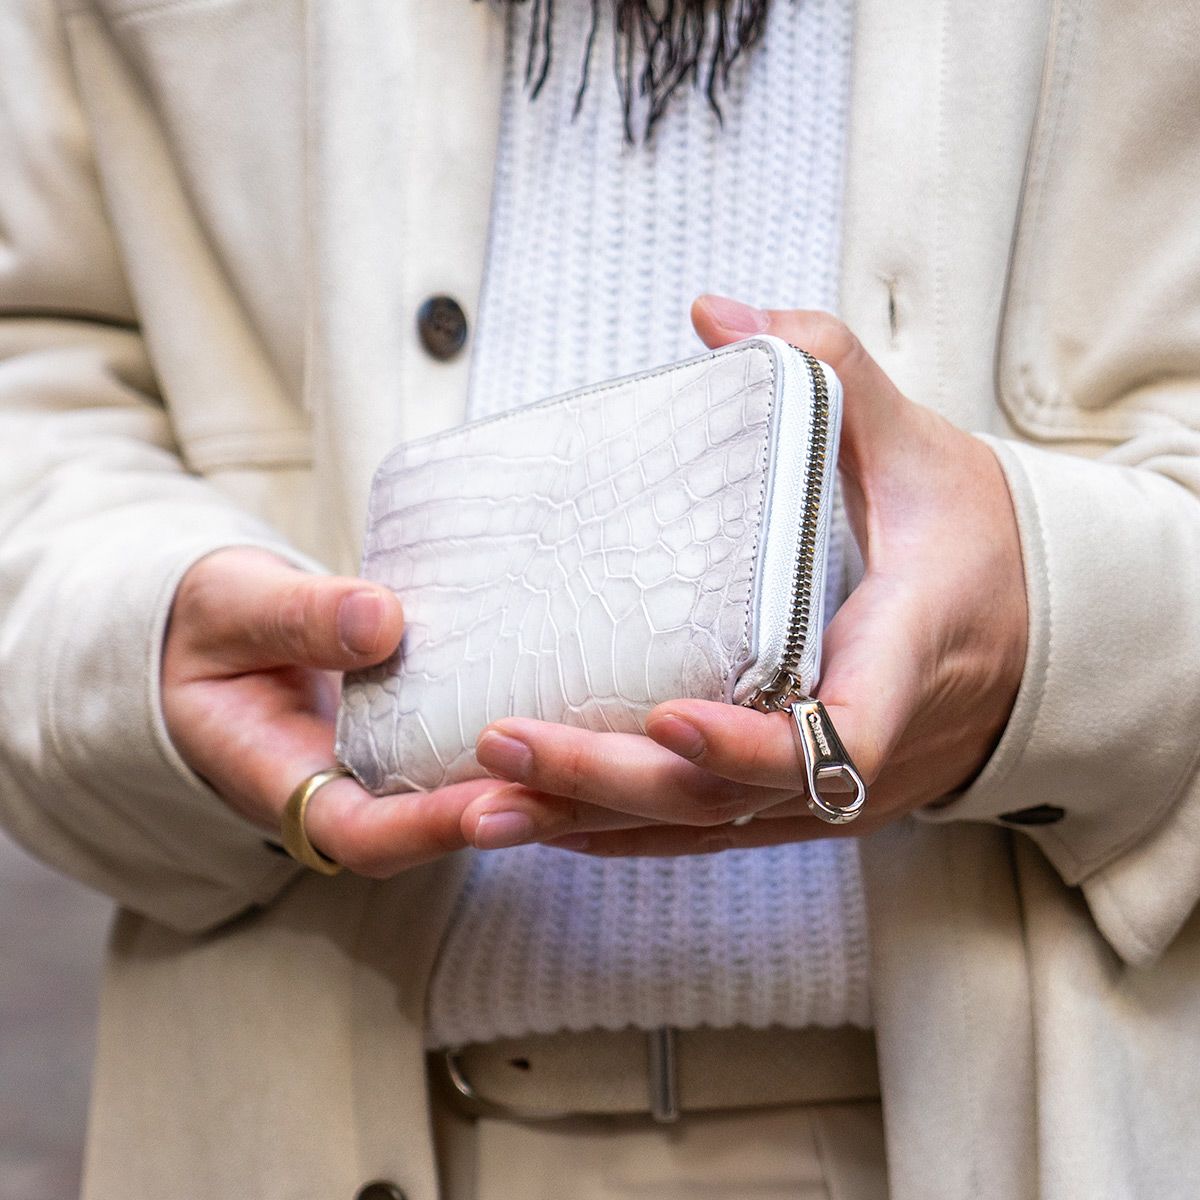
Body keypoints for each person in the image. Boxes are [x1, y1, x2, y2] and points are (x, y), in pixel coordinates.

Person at [1, 0, 1199, 1197]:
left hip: (1031, 1128)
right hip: (307, 1114)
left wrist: (1052, 635)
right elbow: (36, 361)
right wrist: (137, 626)